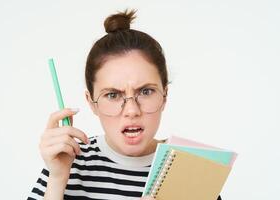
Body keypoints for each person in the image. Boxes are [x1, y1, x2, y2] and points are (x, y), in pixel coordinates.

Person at [28, 9, 222, 200]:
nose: (131, 111)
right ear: (92, 103)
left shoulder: (191, 170)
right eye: (112, 95)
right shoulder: (66, 162)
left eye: (146, 92)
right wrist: (57, 180)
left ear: (164, 96)